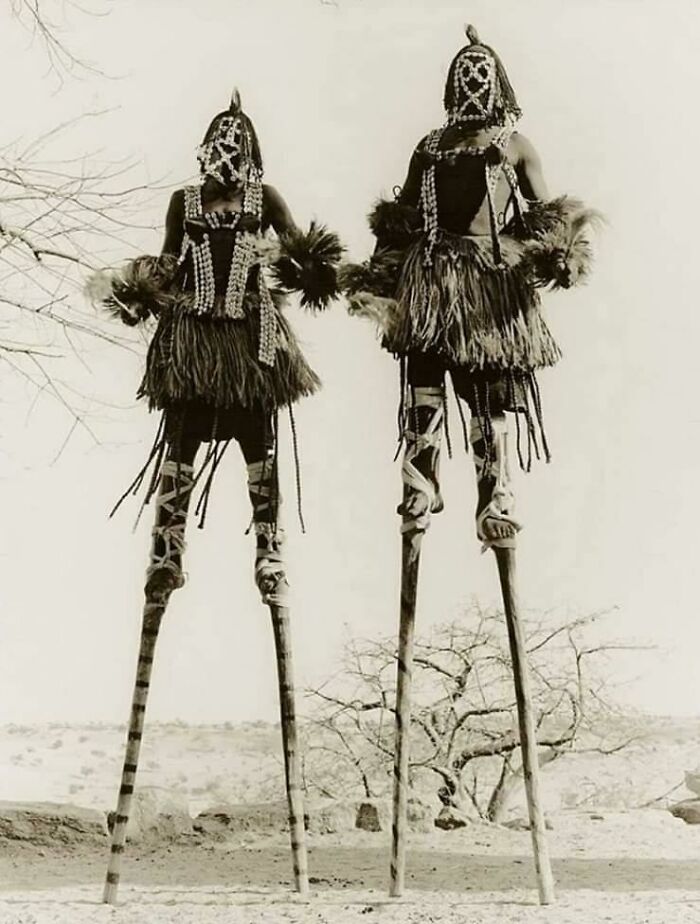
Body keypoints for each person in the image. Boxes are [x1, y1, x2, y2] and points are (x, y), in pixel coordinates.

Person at [344, 25, 599, 548]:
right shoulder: (436, 148)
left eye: (480, 79)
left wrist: (562, 254)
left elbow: (546, 219)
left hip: (484, 286)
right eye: (469, 79)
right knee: (431, 376)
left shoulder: (511, 147)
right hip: (437, 281)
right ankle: (429, 477)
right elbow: (403, 221)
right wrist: (377, 279)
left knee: (483, 387)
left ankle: (485, 490)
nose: (474, 88)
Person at [91, 90, 341, 601]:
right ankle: (167, 551)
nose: (225, 162)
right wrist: (140, 292)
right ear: (204, 152)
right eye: (218, 150)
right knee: (181, 436)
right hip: (194, 339)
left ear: (249, 157)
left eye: (235, 152)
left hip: (250, 341)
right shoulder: (183, 202)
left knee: (258, 439)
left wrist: (308, 267)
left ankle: (270, 551)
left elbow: (296, 248)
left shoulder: (265, 199)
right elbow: (166, 260)